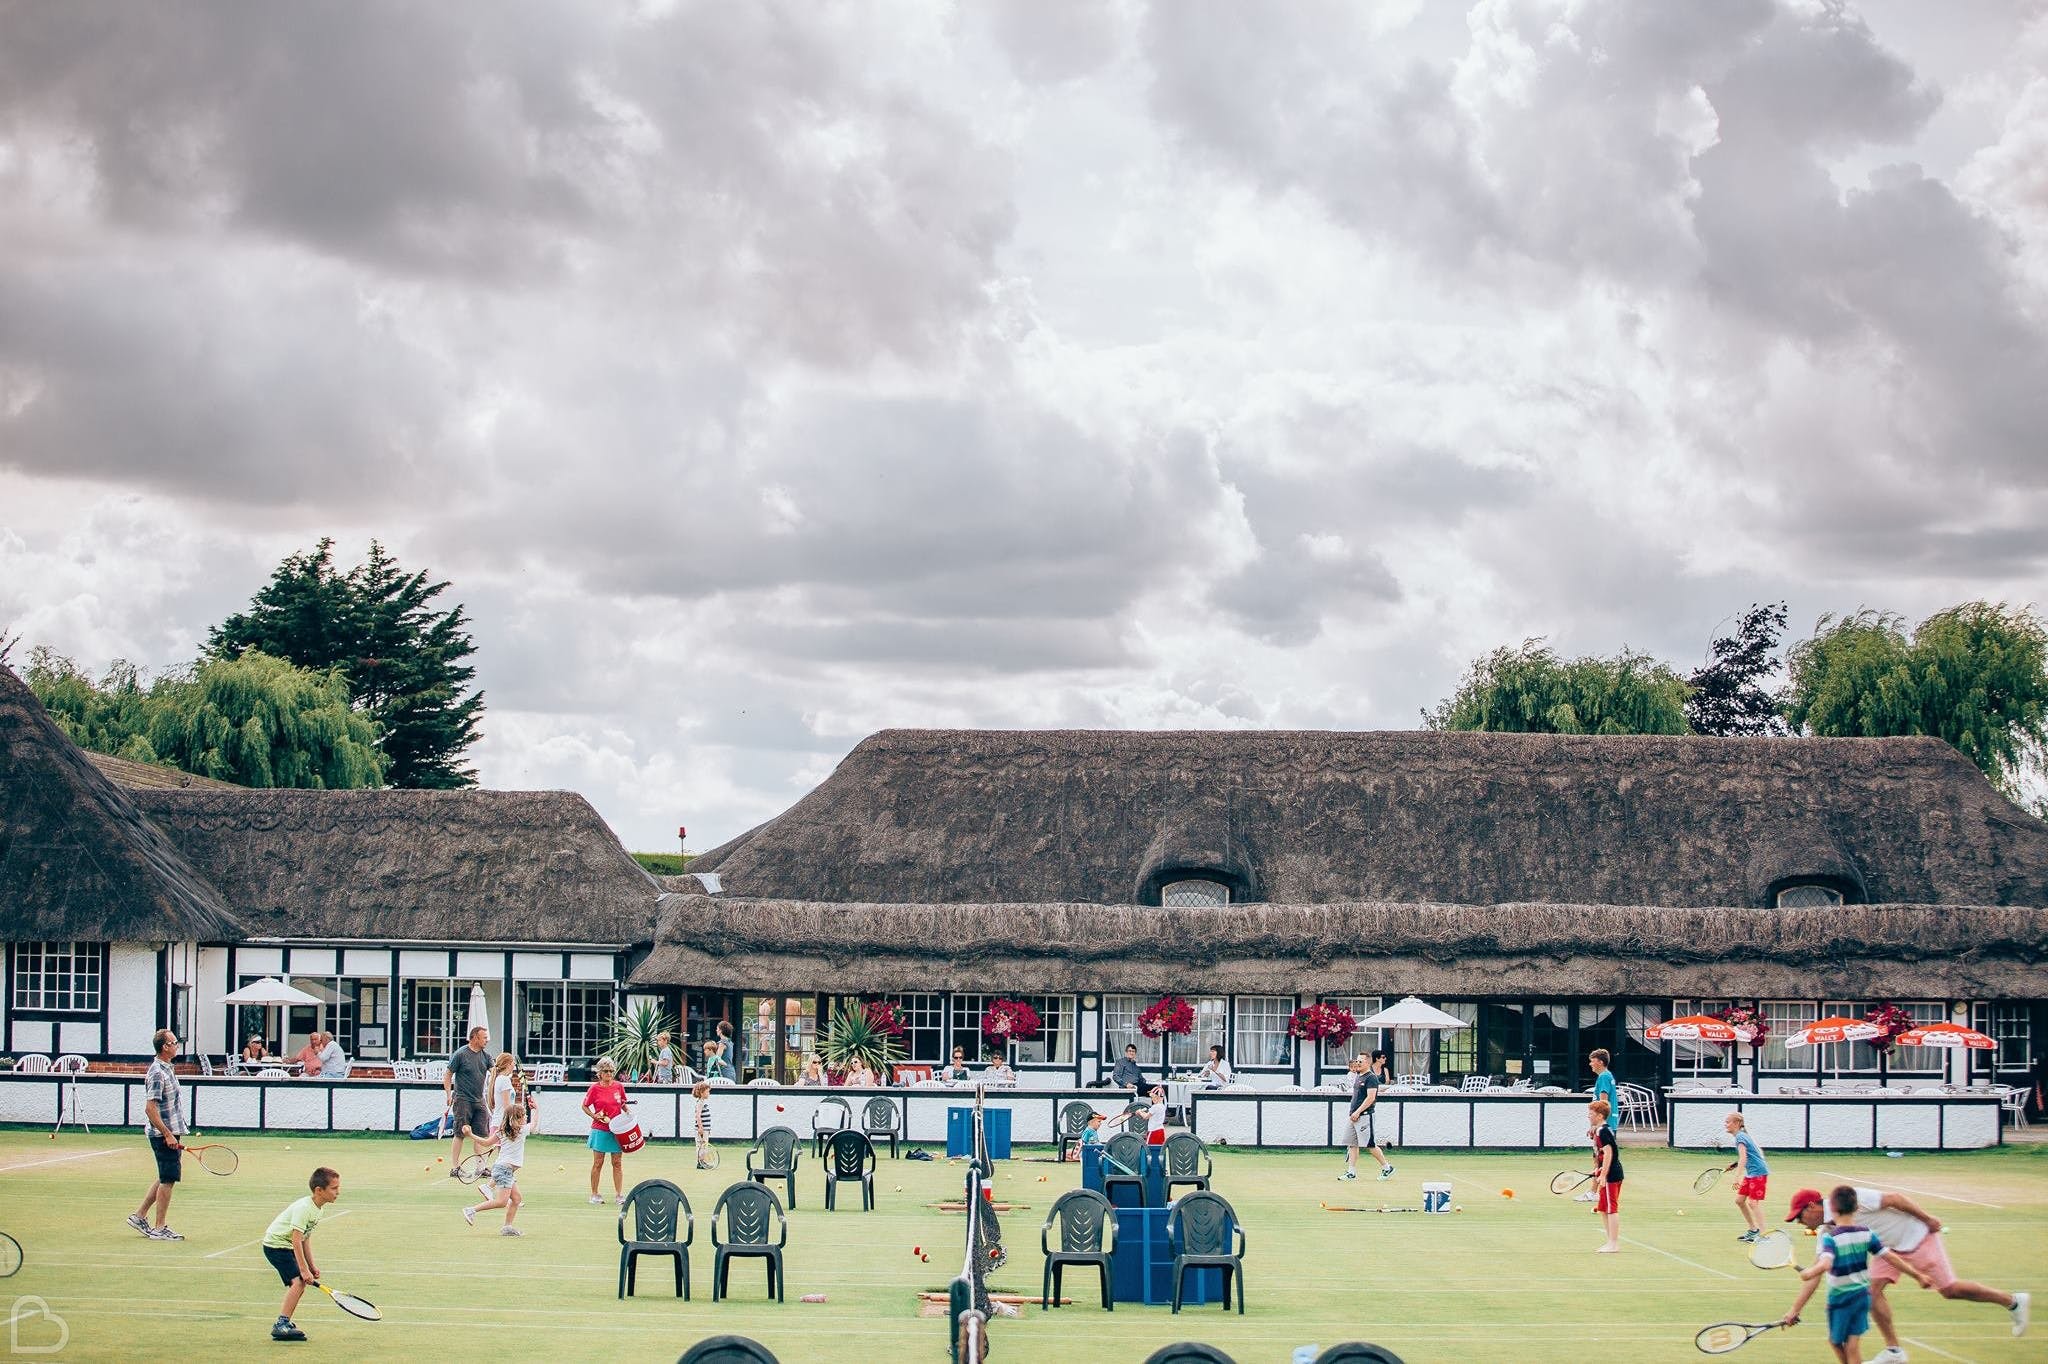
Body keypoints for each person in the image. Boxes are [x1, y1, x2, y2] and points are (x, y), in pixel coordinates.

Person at [1785, 1186, 2030, 1359]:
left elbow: (1894, 1199)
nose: (1800, 1223)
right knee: (1872, 1292)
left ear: (1812, 1207)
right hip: (1887, 1249)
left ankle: (2013, 1302)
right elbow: (1817, 1274)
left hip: (1916, 1237)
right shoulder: (1828, 1232)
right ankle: (1894, 1352)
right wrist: (1795, 1310)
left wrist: (1927, 1218)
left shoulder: (1851, 1197)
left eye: (1799, 1217)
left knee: (1950, 1290)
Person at [1781, 1185, 1932, 1364]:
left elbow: (1824, 1265)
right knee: (1851, 1346)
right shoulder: (1866, 1233)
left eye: (1799, 1216)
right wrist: (1918, 1276)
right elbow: (1889, 1256)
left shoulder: (1829, 1237)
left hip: (1841, 1300)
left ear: (1816, 1207)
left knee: (1836, 1342)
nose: (1799, 1222)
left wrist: (1809, 1273)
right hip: (1862, 1298)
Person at [262, 1166, 342, 1342]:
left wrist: (311, 1267)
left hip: (287, 1245)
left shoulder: (319, 1208)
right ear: (319, 1190)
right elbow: (296, 1239)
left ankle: (284, 1322)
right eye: (334, 1188)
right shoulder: (304, 1208)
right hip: (276, 1246)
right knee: (298, 1282)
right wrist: (304, 1271)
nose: (338, 1192)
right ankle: (281, 1324)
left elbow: (306, 1238)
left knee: (299, 1283)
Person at [127, 1028, 187, 1241]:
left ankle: (139, 1216)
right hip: (163, 1134)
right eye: (174, 1042)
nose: (176, 1045)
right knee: (168, 1179)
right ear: (165, 1047)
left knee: (165, 1176)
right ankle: (159, 1227)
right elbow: (150, 1108)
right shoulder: (156, 1072)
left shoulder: (168, 1068)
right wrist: (167, 1134)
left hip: (171, 1131)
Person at [463, 1103, 527, 1236]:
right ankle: (471, 1210)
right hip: (503, 1170)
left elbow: (486, 1143)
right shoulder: (523, 1130)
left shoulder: (502, 1131)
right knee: (502, 1202)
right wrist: (536, 1109)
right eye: (523, 1116)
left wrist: (470, 1134)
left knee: (516, 1199)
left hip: (503, 1169)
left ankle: (507, 1227)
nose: (526, 1118)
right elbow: (535, 1124)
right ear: (517, 1118)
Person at [444, 1025, 493, 1175]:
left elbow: (495, 1073)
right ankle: (455, 1167)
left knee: (480, 1134)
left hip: (479, 1100)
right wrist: (448, 1094)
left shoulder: (486, 1056)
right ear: (475, 1038)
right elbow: (448, 1075)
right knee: (460, 1133)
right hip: (462, 1099)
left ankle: (480, 1167)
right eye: (484, 1037)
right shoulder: (461, 1054)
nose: (487, 1040)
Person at [583, 1057, 630, 1204]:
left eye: (611, 1071)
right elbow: (585, 1106)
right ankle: (594, 1194)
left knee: (617, 1162)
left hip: (617, 1130)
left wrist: (629, 1113)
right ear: (600, 1073)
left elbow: (622, 1103)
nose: (609, 1074)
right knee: (598, 1162)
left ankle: (619, 1195)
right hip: (600, 1129)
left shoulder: (618, 1087)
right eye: (606, 1071)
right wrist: (594, 1115)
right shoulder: (594, 1088)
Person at [1340, 1052, 1394, 1182]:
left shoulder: (1371, 1078)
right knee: (1351, 1144)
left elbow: (1370, 1098)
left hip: (1364, 1115)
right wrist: (1353, 1113)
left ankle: (1387, 1168)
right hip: (1353, 1116)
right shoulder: (1358, 1076)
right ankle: (1351, 1172)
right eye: (1357, 1061)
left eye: (1361, 1061)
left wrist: (1358, 1112)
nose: (1358, 1063)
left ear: (1368, 1062)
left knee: (1370, 1145)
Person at [1726, 1111, 1769, 1241]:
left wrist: (1737, 1177)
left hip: (1758, 1173)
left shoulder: (1740, 1137)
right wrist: (1734, 1165)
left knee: (1753, 1203)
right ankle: (1753, 1230)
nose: (1726, 1125)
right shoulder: (1742, 1136)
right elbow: (1749, 1155)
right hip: (1752, 1173)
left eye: (1728, 1122)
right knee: (1739, 1201)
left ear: (1737, 1123)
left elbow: (1744, 1157)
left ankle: (1763, 1235)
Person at [1590, 1097, 1622, 1253]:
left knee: (1611, 1208)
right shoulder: (1599, 1130)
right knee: (1603, 1208)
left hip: (1611, 1175)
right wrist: (1597, 1169)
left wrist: (1603, 1174)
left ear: (1600, 1116)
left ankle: (1614, 1243)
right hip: (1607, 1172)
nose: (1589, 1116)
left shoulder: (1603, 1131)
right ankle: (1610, 1241)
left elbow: (1609, 1153)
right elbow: (1601, 1155)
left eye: (1591, 1113)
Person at [1589, 1049, 1620, 1134]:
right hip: (1609, 1122)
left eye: (1592, 1061)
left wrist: (1598, 1123)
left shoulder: (1604, 1077)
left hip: (1605, 1124)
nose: (1590, 1064)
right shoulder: (1608, 1075)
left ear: (1600, 1062)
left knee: (1605, 1147)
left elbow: (1603, 1103)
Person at [692, 1080, 714, 1169]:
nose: (708, 1093)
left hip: (705, 1129)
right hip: (702, 1129)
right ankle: (701, 1162)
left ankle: (702, 1162)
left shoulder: (703, 1102)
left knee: (703, 1146)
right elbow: (698, 1115)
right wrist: (700, 1127)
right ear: (701, 1092)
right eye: (707, 1092)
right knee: (702, 1146)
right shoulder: (700, 1103)